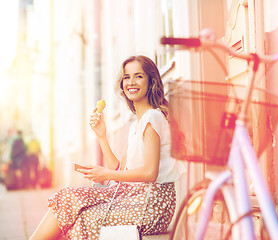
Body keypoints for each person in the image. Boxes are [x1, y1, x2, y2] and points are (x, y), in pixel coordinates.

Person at [29, 55, 185, 240]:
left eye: (139, 76)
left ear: (151, 81)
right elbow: (119, 169)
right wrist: (101, 135)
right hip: (132, 196)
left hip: (152, 205)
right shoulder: (138, 124)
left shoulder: (153, 118)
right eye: (126, 77)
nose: (131, 82)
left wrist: (106, 175)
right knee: (66, 197)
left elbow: (150, 173)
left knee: (85, 218)